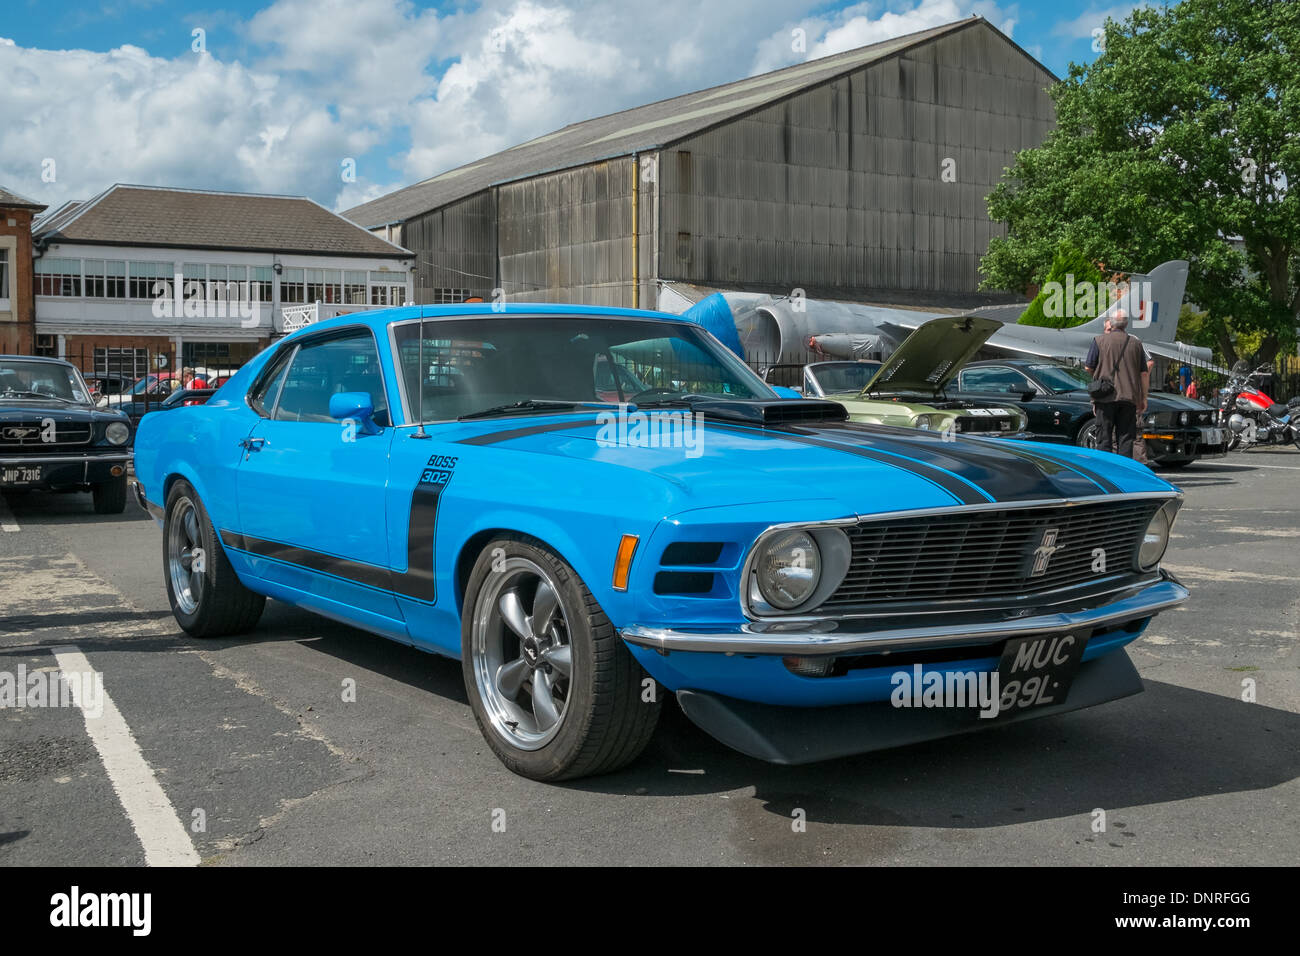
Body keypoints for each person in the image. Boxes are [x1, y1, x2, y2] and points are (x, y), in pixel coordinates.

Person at [1085, 312, 1147, 460]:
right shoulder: (1136, 343)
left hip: (1105, 396)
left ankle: (1106, 472)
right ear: (1126, 324)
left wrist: (1100, 376)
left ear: (1111, 324)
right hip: (1129, 397)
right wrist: (1143, 398)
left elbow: (1088, 366)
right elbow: (1143, 372)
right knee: (1126, 438)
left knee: (1104, 437)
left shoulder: (1099, 340)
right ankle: (1123, 471)